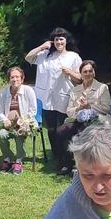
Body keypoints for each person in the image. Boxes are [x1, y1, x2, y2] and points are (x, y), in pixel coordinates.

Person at [26, 28, 82, 166]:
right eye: (56, 39)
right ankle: (56, 154)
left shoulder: (73, 57)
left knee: (62, 128)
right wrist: (41, 46)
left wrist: (70, 73)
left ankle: (65, 155)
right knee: (50, 128)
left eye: (61, 39)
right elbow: (28, 58)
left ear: (66, 41)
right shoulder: (45, 55)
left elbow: (81, 79)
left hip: (64, 96)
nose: (59, 42)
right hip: (46, 97)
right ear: (52, 41)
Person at [54, 60, 111, 174]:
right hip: (78, 119)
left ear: (94, 73)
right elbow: (69, 111)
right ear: (80, 74)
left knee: (82, 132)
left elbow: (107, 109)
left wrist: (90, 106)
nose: (88, 73)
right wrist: (79, 108)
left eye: (90, 71)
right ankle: (66, 163)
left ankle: (81, 166)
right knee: (60, 131)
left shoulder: (102, 87)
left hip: (97, 120)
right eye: (85, 71)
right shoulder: (75, 90)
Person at [0, 67, 38, 174]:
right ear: (9, 79)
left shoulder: (29, 91)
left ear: (22, 79)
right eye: (12, 77)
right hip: (8, 123)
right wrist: (4, 120)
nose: (15, 79)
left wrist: (23, 121)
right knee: (1, 134)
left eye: (17, 77)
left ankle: (19, 161)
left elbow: (33, 110)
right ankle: (8, 159)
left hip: (25, 122)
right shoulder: (3, 92)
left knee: (19, 133)